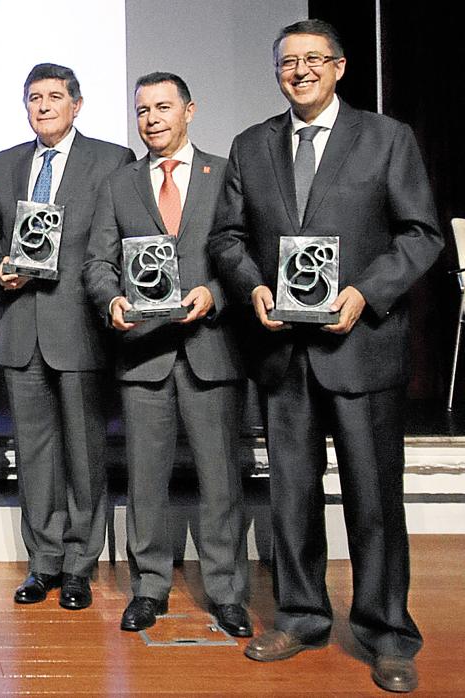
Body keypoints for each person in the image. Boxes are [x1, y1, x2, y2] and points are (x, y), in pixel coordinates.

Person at [208, 20, 441, 693]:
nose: (300, 70)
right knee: (291, 501)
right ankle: (302, 615)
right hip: (283, 355)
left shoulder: (386, 138)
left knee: (373, 502)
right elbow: (226, 238)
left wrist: (364, 294)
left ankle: (387, 632)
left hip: (361, 350)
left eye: (313, 59)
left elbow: (421, 234)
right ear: (276, 71)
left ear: (339, 67)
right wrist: (251, 283)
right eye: (288, 61)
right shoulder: (250, 146)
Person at [82, 73, 250, 636]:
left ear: (190, 110)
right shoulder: (119, 184)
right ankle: (149, 588)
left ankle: (226, 592)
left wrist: (217, 294)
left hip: (211, 349)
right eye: (142, 110)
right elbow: (98, 263)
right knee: (146, 480)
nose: (151, 118)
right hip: (144, 355)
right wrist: (112, 302)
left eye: (162, 107)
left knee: (220, 479)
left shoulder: (226, 173)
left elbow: (244, 255)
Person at [0, 63, 135, 609]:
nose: (43, 106)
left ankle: (79, 564)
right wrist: (0, 266)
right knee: (35, 455)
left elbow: (114, 244)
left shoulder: (110, 160)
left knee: (84, 453)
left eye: (54, 97)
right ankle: (43, 561)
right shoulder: (1, 165)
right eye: (33, 98)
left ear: (77, 104)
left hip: (78, 326)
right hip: (21, 326)